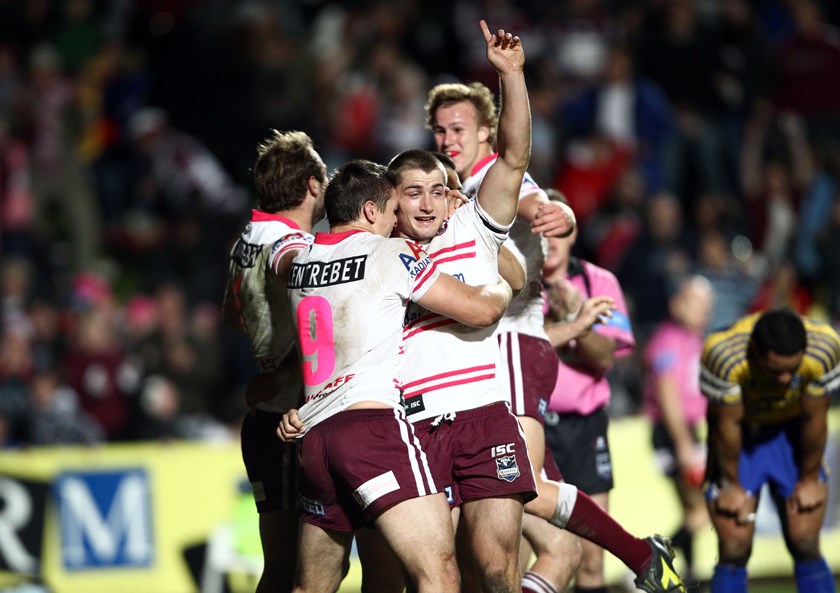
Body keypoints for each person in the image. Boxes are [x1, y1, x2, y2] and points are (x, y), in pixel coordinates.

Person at [427, 66, 684, 593]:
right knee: (553, 548)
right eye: (439, 130)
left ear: (485, 132)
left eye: (459, 128)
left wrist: (556, 213)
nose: (448, 139)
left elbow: (532, 196)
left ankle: (639, 554)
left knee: (518, 493)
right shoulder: (450, 191)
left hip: (513, 346)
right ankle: (640, 555)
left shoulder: (491, 178)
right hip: (482, 352)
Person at [277, 158, 515, 593]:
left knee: (310, 587)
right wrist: (501, 287)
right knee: (438, 576)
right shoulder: (387, 251)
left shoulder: (301, 263)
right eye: (391, 210)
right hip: (370, 429)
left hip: (312, 437)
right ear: (370, 211)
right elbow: (481, 310)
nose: (396, 221)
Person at [540, 189, 685, 593]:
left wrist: (573, 317)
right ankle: (644, 558)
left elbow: (604, 358)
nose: (549, 240)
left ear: (572, 232)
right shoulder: (514, 285)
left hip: (584, 429)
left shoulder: (599, 282)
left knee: (590, 560)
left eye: (557, 229)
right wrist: (571, 324)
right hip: (529, 428)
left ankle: (639, 559)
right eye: (539, 228)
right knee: (519, 551)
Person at [222, 129, 327, 593]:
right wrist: (285, 372)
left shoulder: (247, 236)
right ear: (311, 185)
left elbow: (231, 313)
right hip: (290, 419)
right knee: (292, 570)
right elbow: (315, 312)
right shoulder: (293, 247)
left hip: (268, 416)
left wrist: (267, 359)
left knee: (290, 568)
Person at [700, 308, 840, 593]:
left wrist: (809, 479)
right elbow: (726, 425)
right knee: (734, 545)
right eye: (776, 371)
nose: (785, 380)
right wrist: (730, 484)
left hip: (791, 434)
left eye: (793, 370)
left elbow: (816, 418)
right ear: (755, 352)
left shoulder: (824, 348)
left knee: (805, 540)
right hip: (741, 437)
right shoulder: (724, 353)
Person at [642, 275, 715, 582]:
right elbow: (668, 393)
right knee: (700, 511)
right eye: (694, 303)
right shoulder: (668, 340)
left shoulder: (690, 339)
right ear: (677, 304)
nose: (701, 312)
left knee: (692, 510)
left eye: (705, 306)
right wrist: (684, 442)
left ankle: (689, 574)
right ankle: (648, 565)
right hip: (674, 432)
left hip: (685, 431)